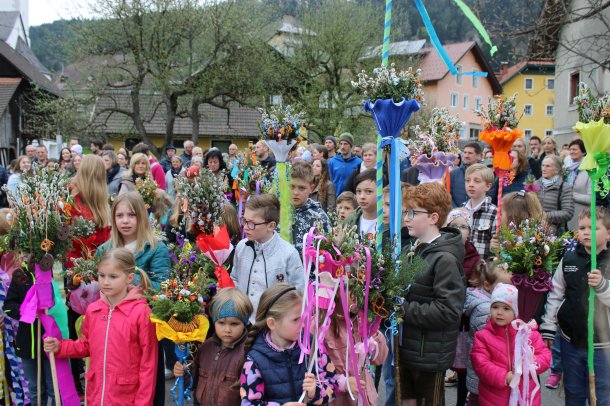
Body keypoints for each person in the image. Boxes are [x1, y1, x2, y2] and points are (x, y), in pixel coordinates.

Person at [43, 248, 157, 405]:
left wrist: (143, 403)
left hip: (126, 398)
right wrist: (60, 347)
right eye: (102, 275)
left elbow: (148, 364)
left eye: (113, 276)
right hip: (96, 395)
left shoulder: (141, 312)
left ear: (129, 278)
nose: (105, 282)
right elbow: (87, 345)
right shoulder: (93, 310)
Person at [399, 182, 466, 406]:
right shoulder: (413, 249)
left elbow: (448, 310)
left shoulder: (445, 258)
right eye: (405, 212)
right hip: (408, 348)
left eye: (413, 213)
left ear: (433, 218)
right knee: (407, 401)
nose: (406, 218)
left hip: (429, 352)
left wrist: (403, 309)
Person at [541, 207, 610, 403]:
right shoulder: (569, 259)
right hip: (571, 340)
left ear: (608, 233)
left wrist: (603, 286)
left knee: (602, 395)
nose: (586, 232)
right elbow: (555, 294)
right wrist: (548, 326)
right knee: (573, 392)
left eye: (593, 228)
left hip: (603, 345)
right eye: (582, 228)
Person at [239, 284, 338, 405]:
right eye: (296, 320)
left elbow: (334, 385)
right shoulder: (256, 359)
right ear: (272, 323)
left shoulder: (311, 346)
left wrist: (315, 393)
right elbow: (249, 403)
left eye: (303, 318)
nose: (302, 325)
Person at [471, 283, 551, 406]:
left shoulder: (528, 333)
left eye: (506, 308)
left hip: (525, 396)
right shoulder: (483, 336)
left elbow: (545, 356)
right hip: (494, 398)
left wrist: (530, 364)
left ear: (516, 311)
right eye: (495, 307)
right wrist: (504, 377)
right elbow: (481, 364)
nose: (499, 312)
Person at [173, 288, 252, 405]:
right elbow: (192, 383)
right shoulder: (205, 348)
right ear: (214, 322)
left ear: (244, 323)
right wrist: (183, 373)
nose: (227, 329)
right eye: (221, 323)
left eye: (234, 324)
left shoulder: (248, 353)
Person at [231, 194, 304, 318]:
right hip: (243, 319)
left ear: (271, 226)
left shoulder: (289, 254)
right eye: (244, 220)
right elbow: (235, 278)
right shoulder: (241, 247)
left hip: (273, 322)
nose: (246, 227)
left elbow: (299, 292)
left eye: (252, 223)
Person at [324, 293, 388, 406]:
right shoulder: (323, 325)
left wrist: (373, 330)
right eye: (351, 291)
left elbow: (379, 359)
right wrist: (344, 384)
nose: (358, 296)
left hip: (366, 399)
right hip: (341, 401)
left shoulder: (361, 319)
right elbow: (317, 375)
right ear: (337, 292)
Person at [463, 260, 512, 405]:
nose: (508, 291)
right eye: (503, 286)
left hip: (488, 373)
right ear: (487, 286)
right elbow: (495, 340)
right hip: (483, 376)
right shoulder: (485, 309)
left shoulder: (489, 303)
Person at [291, 161, 331, 254]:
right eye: (292, 187)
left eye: (302, 188)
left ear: (311, 188)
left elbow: (327, 251)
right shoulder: (277, 212)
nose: (295, 192)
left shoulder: (319, 217)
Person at [463, 164, 497, 259]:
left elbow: (496, 248)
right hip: (462, 264)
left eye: (477, 181)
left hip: (482, 264)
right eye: (467, 180)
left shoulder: (494, 213)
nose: (471, 184)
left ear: (488, 186)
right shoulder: (460, 210)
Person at [535, 154, 574, 235]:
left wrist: (545, 216)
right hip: (534, 230)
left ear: (557, 169)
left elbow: (568, 212)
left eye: (548, 166)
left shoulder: (564, 187)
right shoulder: (535, 184)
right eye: (543, 165)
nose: (544, 169)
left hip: (554, 233)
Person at [344, 169, 378, 241]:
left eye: (369, 191)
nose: (362, 196)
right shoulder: (349, 221)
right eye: (359, 191)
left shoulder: (389, 223)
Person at [565, 139, 590, 231]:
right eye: (570, 149)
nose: (572, 151)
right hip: (566, 213)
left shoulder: (589, 170)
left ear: (583, 152)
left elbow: (592, 198)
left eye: (575, 149)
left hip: (581, 215)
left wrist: (571, 195)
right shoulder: (567, 169)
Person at [450, 142, 482, 207]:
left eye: (470, 153)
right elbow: (448, 195)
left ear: (479, 156)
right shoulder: (453, 174)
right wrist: (457, 210)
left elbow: (490, 195)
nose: (466, 156)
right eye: (465, 152)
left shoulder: (485, 174)